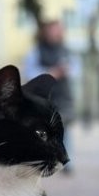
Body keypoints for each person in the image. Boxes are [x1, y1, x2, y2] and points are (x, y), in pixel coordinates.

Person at [24, 19, 76, 169]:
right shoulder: (36, 51)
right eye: (54, 29)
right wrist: (51, 73)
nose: (57, 32)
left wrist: (67, 70)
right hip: (44, 97)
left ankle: (66, 162)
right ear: (46, 32)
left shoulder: (66, 50)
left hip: (63, 96)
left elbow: (76, 69)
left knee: (64, 128)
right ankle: (41, 159)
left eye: (59, 29)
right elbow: (29, 72)